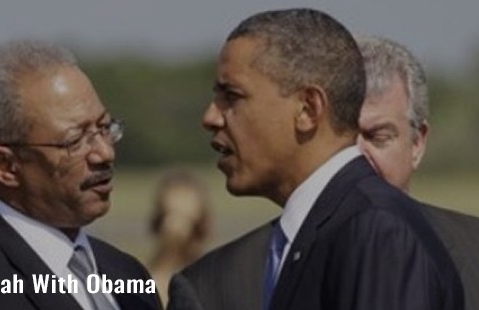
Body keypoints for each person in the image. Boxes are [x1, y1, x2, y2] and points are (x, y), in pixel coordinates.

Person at [167, 8, 464, 310]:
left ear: (308, 109)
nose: (211, 117)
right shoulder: (317, 233)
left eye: (232, 96)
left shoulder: (377, 231)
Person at [0, 40, 161, 310]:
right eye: (75, 141)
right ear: (5, 166)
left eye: (104, 127)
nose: (104, 153)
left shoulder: (127, 276)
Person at [357, 35, 479, 310]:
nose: (357, 157)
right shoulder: (253, 268)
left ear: (417, 143)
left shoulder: (474, 252)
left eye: (377, 137)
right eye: (340, 140)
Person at [148, 169, 212, 306]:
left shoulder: (214, 280)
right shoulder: (142, 282)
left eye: (188, 221)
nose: (178, 229)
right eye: (172, 216)